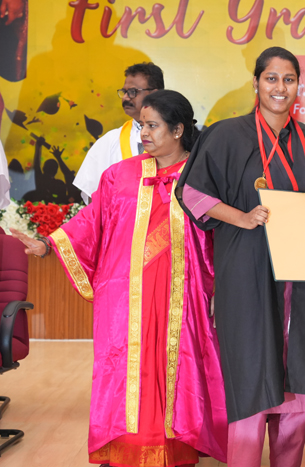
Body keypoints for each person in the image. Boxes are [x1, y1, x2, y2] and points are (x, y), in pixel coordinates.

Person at [11, 90, 228, 466]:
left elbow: (221, 238)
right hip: (127, 300)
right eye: (142, 125)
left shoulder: (204, 178)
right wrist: (46, 244)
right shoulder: (120, 175)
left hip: (182, 299)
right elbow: (90, 220)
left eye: (152, 126)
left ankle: (175, 448)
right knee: (129, 370)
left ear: (178, 130)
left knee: (178, 368)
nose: (143, 133)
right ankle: (130, 448)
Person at [176, 47, 305, 467]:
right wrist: (242, 217)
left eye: (289, 79)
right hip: (246, 273)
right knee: (251, 380)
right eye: (271, 78)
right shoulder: (225, 136)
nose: (280, 88)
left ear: (298, 85)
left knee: (299, 387)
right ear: (256, 83)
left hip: (304, 282)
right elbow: (191, 192)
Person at [73, 62, 164, 203]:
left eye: (133, 92)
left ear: (154, 94)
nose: (125, 98)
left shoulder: (175, 138)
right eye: (124, 92)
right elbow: (93, 197)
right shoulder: (109, 141)